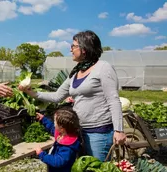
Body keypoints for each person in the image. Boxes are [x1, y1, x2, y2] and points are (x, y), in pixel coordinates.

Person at [19, 30, 126, 162]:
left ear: (84, 48)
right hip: (78, 132)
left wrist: (119, 130)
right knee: (82, 168)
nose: (70, 50)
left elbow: (113, 100)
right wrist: (31, 92)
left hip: (99, 133)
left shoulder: (103, 68)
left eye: (73, 46)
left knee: (98, 169)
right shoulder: (76, 73)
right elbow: (57, 96)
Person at [35, 108, 81, 172]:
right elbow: (52, 127)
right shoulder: (63, 133)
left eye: (55, 121)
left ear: (62, 128)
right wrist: (43, 119)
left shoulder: (67, 147)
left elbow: (58, 161)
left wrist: (42, 154)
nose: (54, 123)